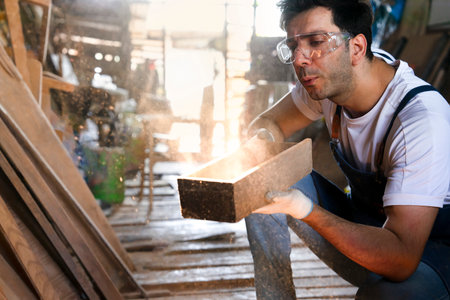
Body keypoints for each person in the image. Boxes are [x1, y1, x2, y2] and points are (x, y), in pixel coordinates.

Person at [244, 0, 450, 299]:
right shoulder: (328, 82)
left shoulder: (418, 119)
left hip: (430, 255)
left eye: (316, 42)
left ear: (356, 48)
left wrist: (305, 210)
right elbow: (269, 123)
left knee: (380, 297)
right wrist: (258, 144)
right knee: (260, 176)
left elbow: (402, 259)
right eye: (293, 46)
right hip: (366, 226)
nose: (301, 59)